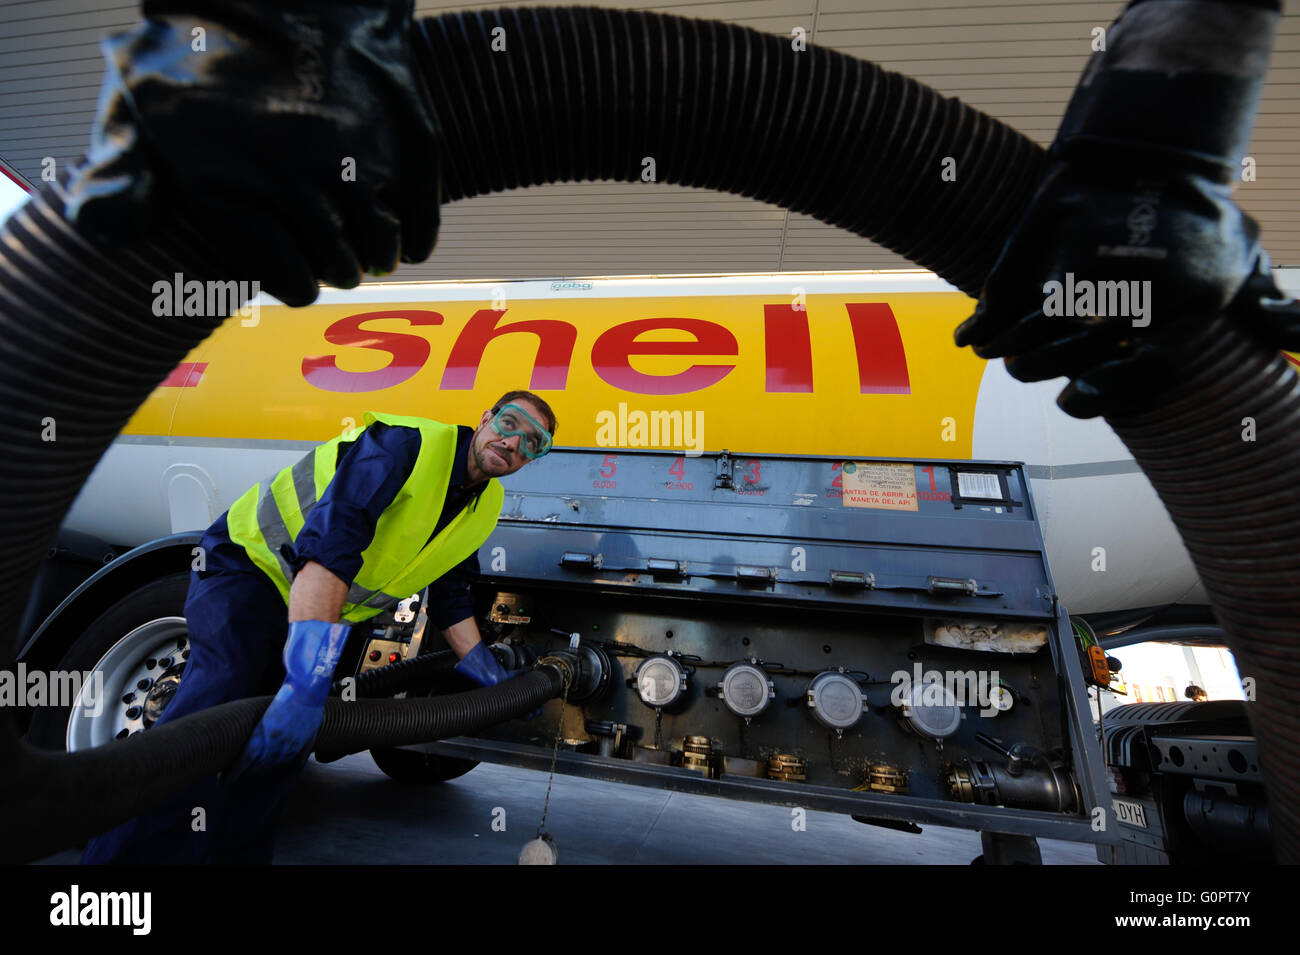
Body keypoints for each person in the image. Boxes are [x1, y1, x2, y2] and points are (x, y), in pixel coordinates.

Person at [81, 390, 557, 864]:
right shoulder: (405, 445)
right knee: (213, 714)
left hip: (320, 608)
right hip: (252, 569)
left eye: (534, 443)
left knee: (278, 754)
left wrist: (488, 674)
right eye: (510, 424)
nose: (515, 443)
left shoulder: (484, 505)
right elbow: (332, 548)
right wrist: (306, 683)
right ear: (485, 418)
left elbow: (452, 595)